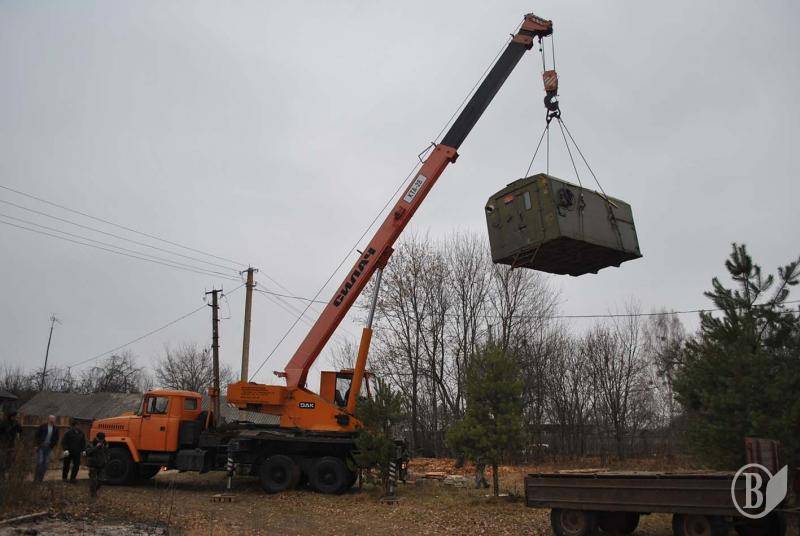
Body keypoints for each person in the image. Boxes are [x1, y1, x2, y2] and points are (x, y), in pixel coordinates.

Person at [34, 414, 59, 482]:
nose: (52, 420)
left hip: (49, 447)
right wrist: (36, 445)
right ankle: (36, 478)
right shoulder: (43, 426)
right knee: (40, 462)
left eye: (53, 419)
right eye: (51, 419)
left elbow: (56, 438)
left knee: (46, 464)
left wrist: (53, 445)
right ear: (48, 419)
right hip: (41, 446)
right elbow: (37, 435)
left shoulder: (55, 428)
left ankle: (40, 479)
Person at [85, 432, 108, 498]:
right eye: (100, 439)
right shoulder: (91, 443)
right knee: (93, 480)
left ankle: (94, 490)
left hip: (101, 465)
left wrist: (106, 459)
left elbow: (107, 452)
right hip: (93, 465)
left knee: (101, 480)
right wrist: (96, 447)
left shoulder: (105, 444)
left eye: (102, 439)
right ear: (97, 438)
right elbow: (88, 452)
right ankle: (93, 493)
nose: (101, 441)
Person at [0, 410, 22, 478]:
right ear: (12, 416)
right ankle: (2, 473)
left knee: (9, 459)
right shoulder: (4, 422)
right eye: (15, 416)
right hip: (4, 443)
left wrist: (18, 424)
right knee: (3, 459)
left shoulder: (16, 423)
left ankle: (7, 473)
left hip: (11, 443)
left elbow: (20, 430)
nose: (16, 417)